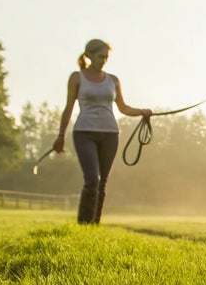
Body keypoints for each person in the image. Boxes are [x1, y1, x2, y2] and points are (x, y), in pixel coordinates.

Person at [53, 39, 152, 224]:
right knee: (92, 179)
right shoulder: (77, 77)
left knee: (102, 182)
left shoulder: (113, 80)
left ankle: (94, 224)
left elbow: (123, 108)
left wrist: (142, 112)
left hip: (110, 133)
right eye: (100, 57)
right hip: (84, 132)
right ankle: (83, 224)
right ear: (89, 56)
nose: (104, 61)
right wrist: (60, 136)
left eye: (106, 57)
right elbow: (68, 108)